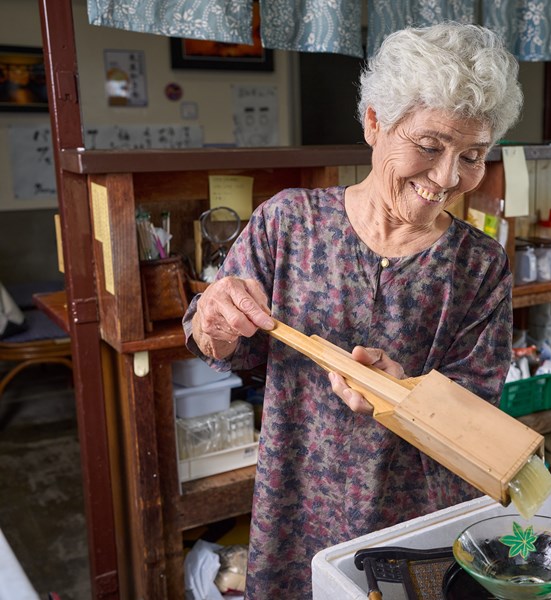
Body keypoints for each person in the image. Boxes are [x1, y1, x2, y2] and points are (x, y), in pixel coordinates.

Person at [183, 22, 523, 598]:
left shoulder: (479, 264)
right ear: (374, 123)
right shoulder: (288, 223)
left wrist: (410, 396)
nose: (447, 178)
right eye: (430, 145)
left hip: (417, 513)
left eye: (472, 155)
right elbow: (214, 342)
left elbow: (478, 405)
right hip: (297, 503)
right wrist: (213, 318)